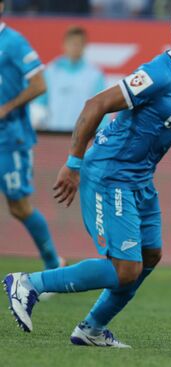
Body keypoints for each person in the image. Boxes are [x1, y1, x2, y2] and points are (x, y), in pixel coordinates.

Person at [3, 1, 171, 348]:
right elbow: (94, 105)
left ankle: (91, 329)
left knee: (150, 256)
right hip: (109, 172)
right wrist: (73, 163)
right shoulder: (157, 73)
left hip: (140, 178)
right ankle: (30, 284)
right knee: (124, 268)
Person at [0, 0, 64, 272]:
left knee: (20, 207)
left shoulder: (13, 42)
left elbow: (39, 84)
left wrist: (8, 107)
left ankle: (53, 263)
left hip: (10, 137)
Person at [33, 26, 108, 132]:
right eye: (72, 43)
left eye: (79, 44)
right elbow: (39, 107)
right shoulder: (50, 72)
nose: (75, 47)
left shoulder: (95, 75)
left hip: (82, 138)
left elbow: (102, 108)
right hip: (53, 135)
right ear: (64, 44)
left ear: (84, 46)